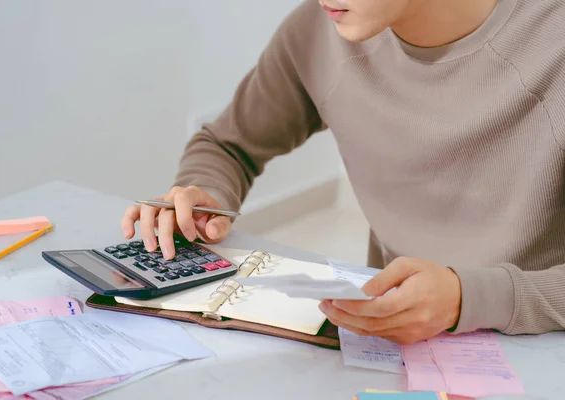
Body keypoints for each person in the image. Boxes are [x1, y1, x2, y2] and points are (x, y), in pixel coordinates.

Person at [121, 0, 565, 345]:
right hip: (391, 341)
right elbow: (228, 144)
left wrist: (471, 298)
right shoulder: (319, 32)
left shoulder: (552, 39)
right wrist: (207, 191)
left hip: (540, 341)